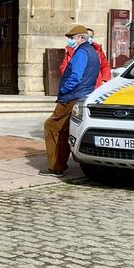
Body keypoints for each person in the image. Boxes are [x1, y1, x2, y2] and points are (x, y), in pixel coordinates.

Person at [43, 25, 101, 177]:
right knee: (63, 130)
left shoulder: (81, 52)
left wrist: (63, 90)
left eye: (72, 38)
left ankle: (55, 166)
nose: (69, 41)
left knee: (52, 126)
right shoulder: (92, 52)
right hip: (82, 94)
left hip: (71, 96)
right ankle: (59, 165)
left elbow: (76, 76)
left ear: (81, 38)